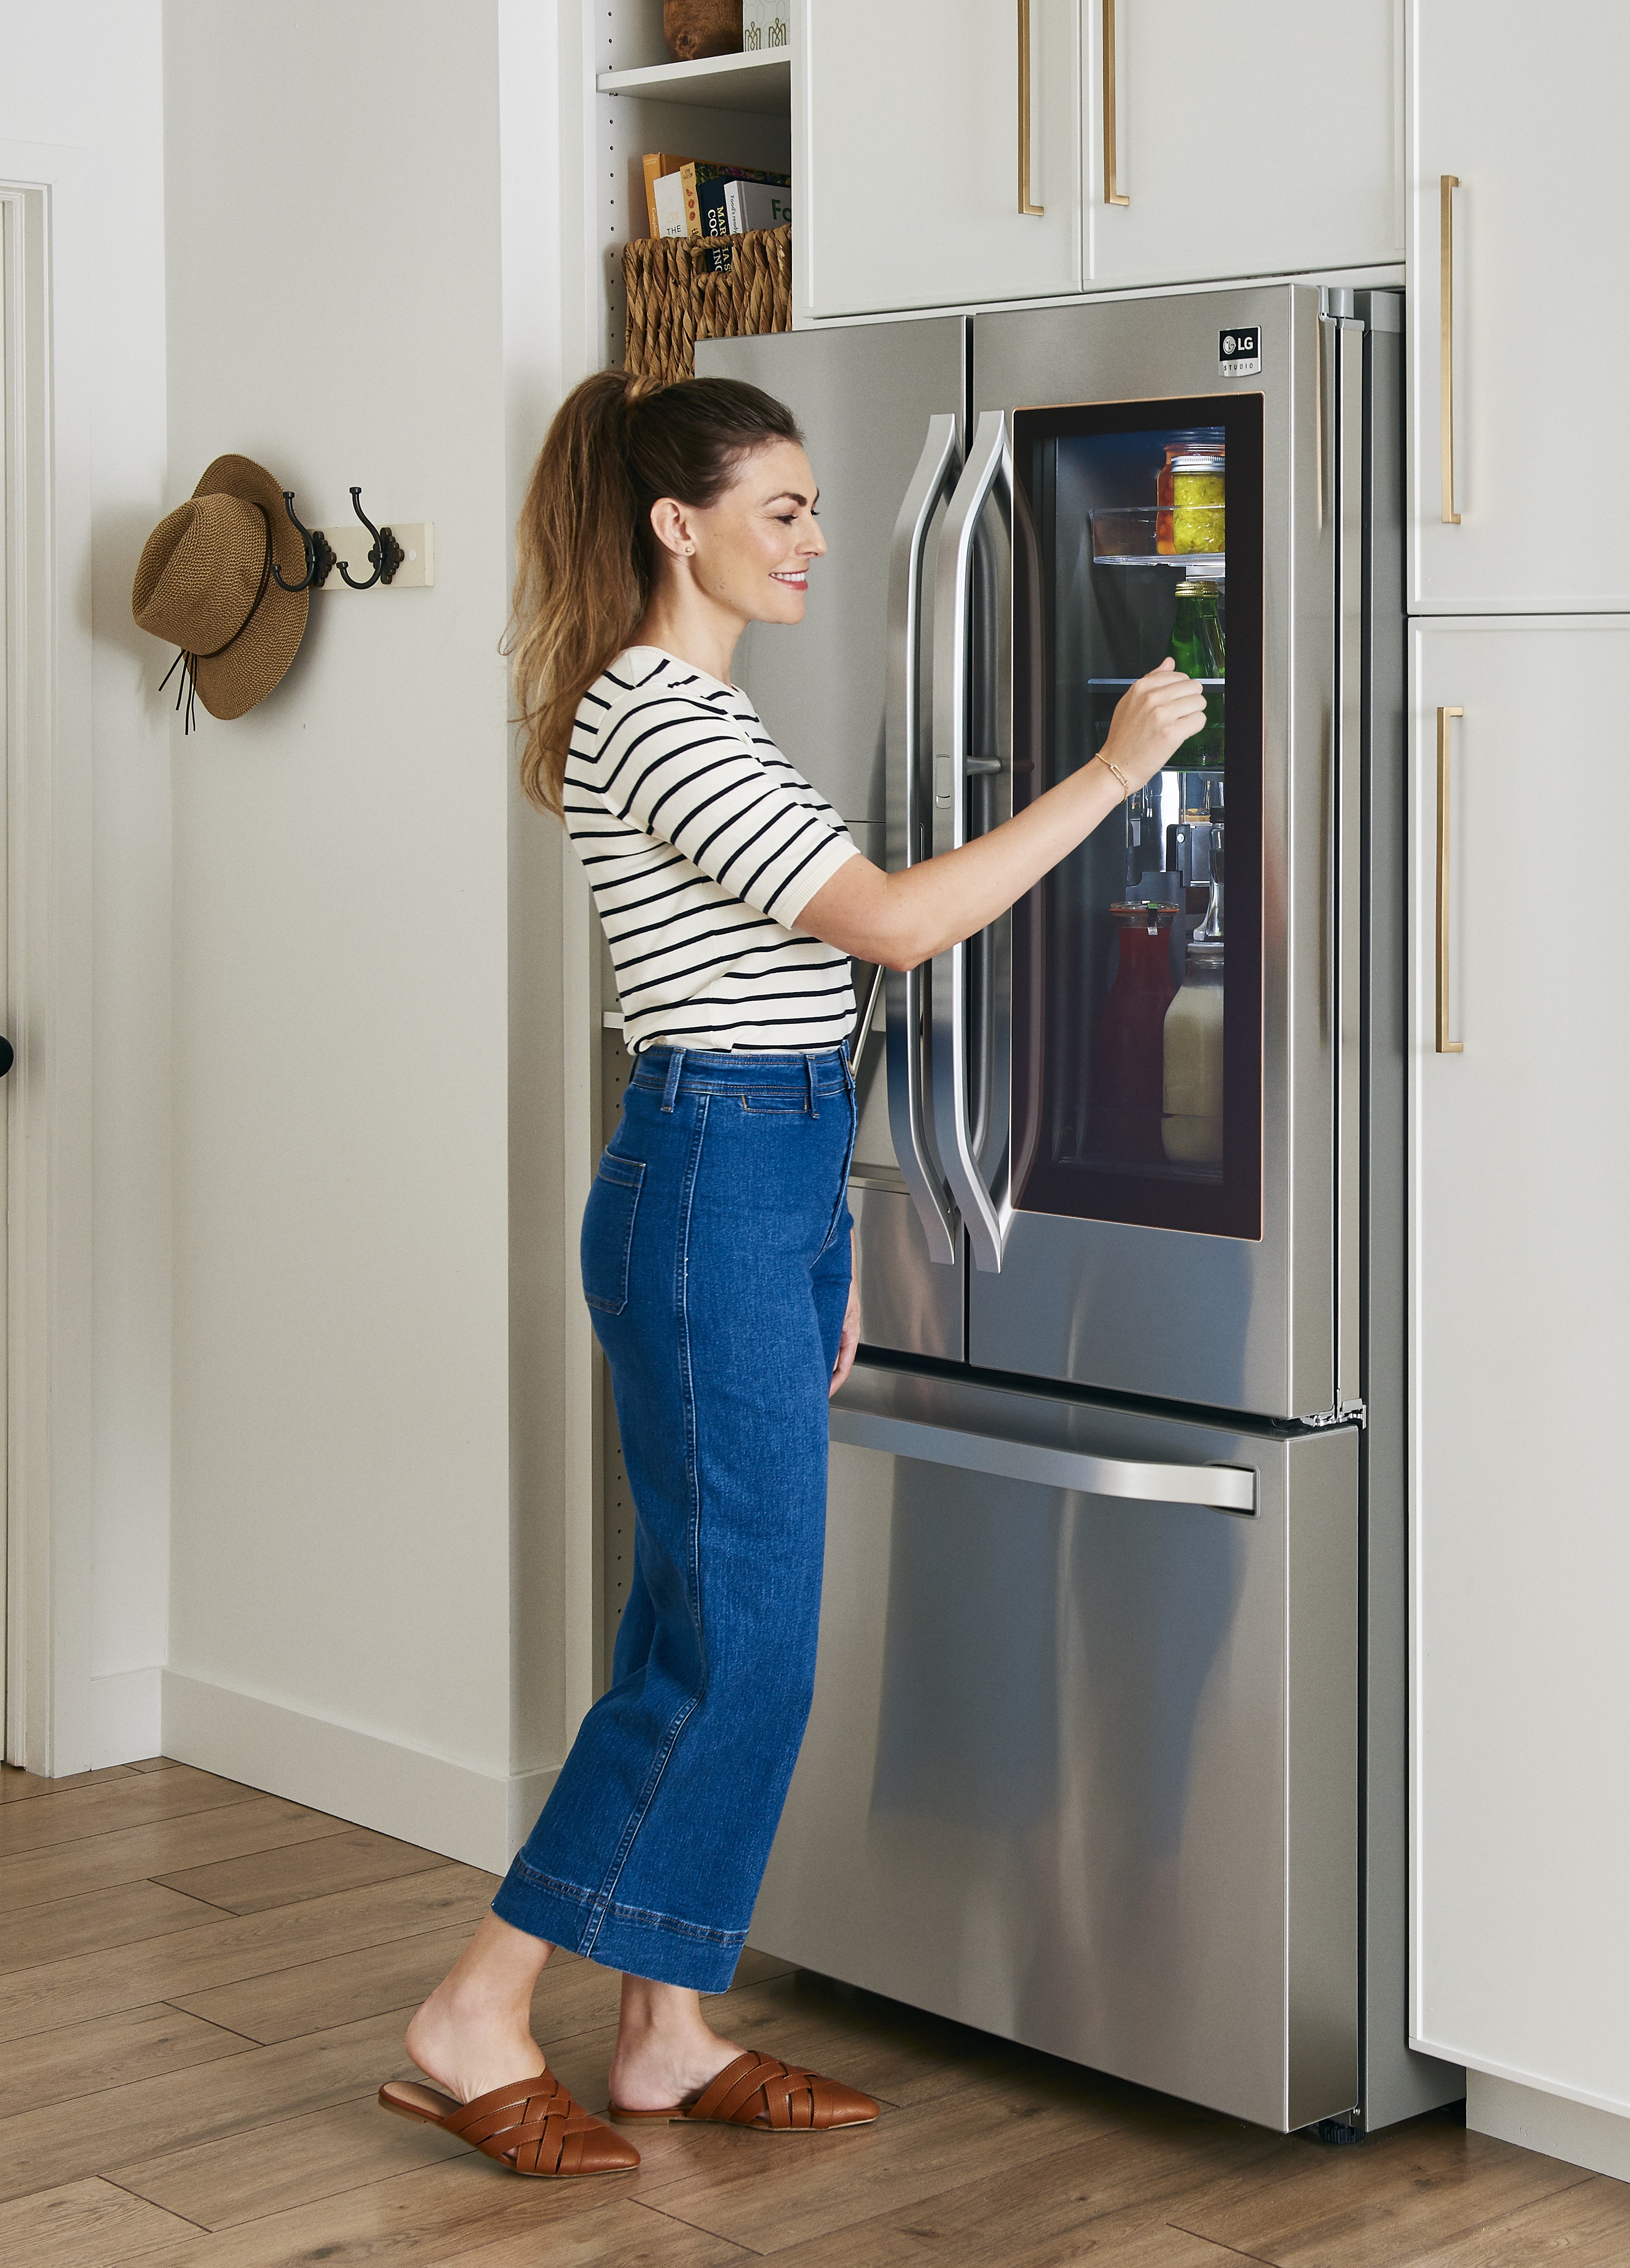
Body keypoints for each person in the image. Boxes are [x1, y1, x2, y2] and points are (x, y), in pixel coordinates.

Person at [376, 371, 1207, 2179]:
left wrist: (823, 1230)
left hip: (752, 1177)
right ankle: (472, 2008)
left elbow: (786, 1002)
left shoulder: (692, 711)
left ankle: (665, 2032)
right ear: (677, 525)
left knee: (700, 1629)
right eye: (784, 510)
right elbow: (894, 927)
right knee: (739, 1647)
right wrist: (1113, 771)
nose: (820, 540)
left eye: (826, 506)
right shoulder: (665, 720)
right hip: (705, 1181)